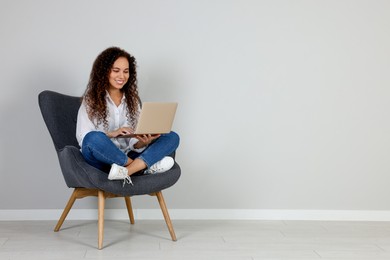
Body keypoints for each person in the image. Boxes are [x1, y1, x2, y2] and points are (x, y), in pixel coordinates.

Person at [76, 46, 180, 186]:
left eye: (126, 71)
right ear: (104, 71)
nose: (122, 76)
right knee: (94, 138)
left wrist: (143, 142)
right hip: (102, 159)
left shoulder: (132, 100)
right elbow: (84, 139)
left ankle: (125, 171)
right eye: (116, 71)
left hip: (127, 155)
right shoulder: (90, 100)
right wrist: (112, 134)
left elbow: (133, 142)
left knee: (171, 136)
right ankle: (141, 168)